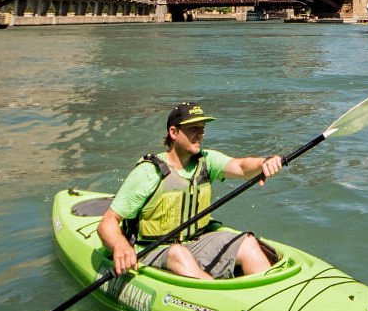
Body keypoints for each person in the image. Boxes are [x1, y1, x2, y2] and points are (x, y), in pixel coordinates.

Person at [99, 101, 284, 279]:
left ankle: (271, 299)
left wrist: (265, 162)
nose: (200, 134)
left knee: (248, 242)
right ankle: (217, 301)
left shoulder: (206, 161)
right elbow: (107, 222)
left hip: (194, 243)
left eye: (202, 128)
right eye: (193, 129)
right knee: (178, 253)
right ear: (174, 132)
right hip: (151, 250)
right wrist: (120, 246)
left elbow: (242, 167)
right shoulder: (149, 172)